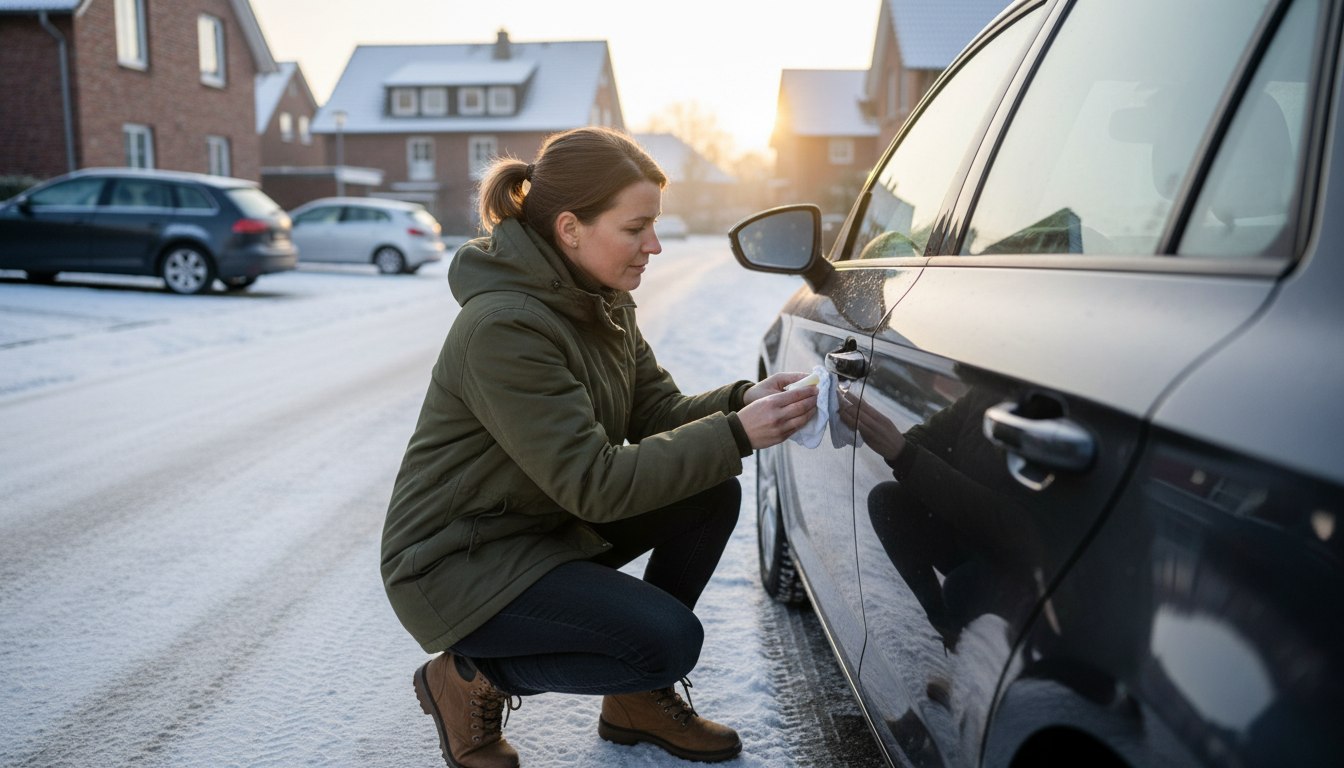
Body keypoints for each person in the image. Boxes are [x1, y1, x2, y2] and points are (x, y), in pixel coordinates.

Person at [380, 126, 818, 768]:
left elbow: (656, 414)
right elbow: (596, 485)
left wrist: (738, 404)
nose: (656, 245)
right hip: (458, 563)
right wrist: (733, 435)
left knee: (709, 489)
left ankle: (634, 702)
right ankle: (469, 676)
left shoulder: (603, 302)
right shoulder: (505, 328)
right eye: (637, 227)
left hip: (540, 529)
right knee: (666, 640)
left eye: (655, 225)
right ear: (570, 229)